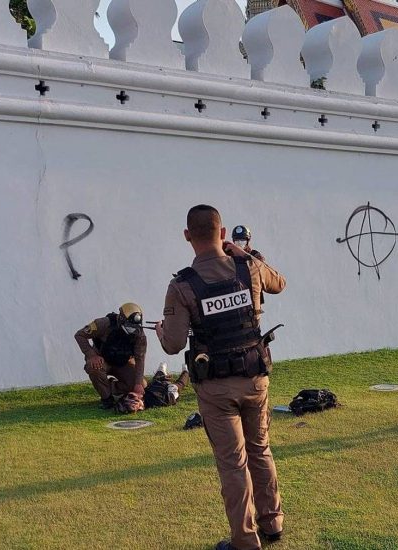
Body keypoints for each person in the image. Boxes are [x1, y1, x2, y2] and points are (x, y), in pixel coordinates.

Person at [155, 205, 286, 550]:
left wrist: (160, 330)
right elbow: (280, 283)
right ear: (223, 233)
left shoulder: (182, 285)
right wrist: (245, 255)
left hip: (215, 388)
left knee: (233, 463)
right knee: (260, 450)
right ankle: (272, 523)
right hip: (255, 377)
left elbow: (172, 344)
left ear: (187, 236)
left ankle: (245, 540)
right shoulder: (249, 267)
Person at [74, 303, 147, 411]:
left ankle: (111, 389)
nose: (132, 329)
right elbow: (80, 335)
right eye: (129, 326)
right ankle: (107, 398)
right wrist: (91, 355)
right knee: (94, 367)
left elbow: (140, 359)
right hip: (102, 359)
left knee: (141, 384)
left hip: (123, 362)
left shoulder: (139, 335)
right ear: (121, 318)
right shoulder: (104, 323)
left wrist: (138, 384)